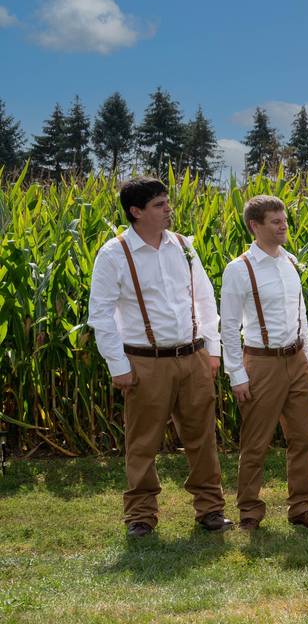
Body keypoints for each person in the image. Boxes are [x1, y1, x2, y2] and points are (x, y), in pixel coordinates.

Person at [88, 177, 230, 537]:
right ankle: (141, 515)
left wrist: (212, 350)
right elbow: (101, 315)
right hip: (144, 361)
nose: (169, 210)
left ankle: (210, 510)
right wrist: (117, 365)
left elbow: (205, 299)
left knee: (202, 438)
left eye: (167, 203)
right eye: (159, 205)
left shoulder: (183, 246)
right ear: (136, 212)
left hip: (193, 356)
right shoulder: (114, 254)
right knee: (142, 441)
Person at [221, 195, 308, 530]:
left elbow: (300, 314)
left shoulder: (290, 262)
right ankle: (250, 510)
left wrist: (307, 357)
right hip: (262, 362)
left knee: (304, 438)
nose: (284, 226)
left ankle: (301, 507)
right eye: (275, 222)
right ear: (255, 226)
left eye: (284, 220)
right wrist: (236, 373)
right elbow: (227, 326)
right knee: (256, 441)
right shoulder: (240, 269)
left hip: (296, 360)